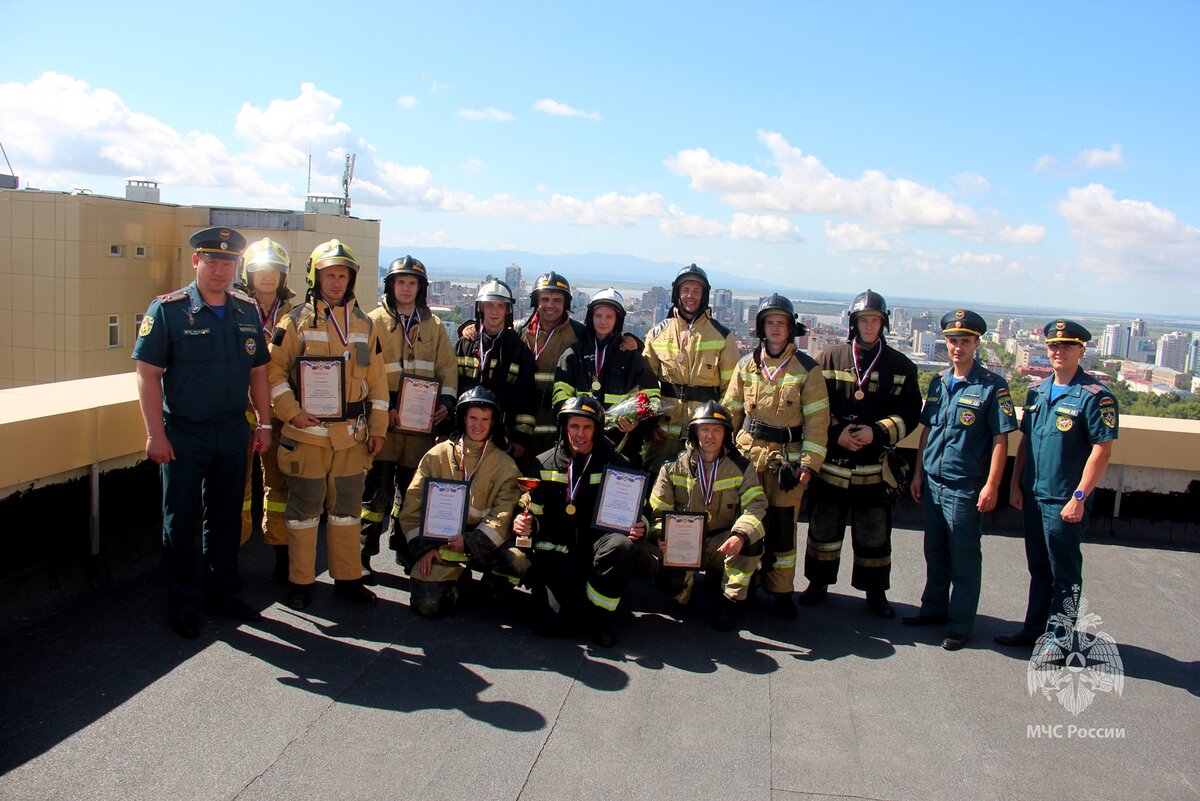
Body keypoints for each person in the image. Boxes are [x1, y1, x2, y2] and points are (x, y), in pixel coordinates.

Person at [132, 226, 271, 639]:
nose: (220, 270)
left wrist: (263, 423)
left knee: (228, 517)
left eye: (228, 263)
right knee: (181, 520)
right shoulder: (168, 310)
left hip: (232, 430)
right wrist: (155, 434)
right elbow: (147, 375)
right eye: (212, 261)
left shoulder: (247, 311)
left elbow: (259, 373)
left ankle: (223, 594)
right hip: (184, 433)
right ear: (196, 262)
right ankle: (183, 604)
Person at [267, 239, 388, 611]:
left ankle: (348, 578)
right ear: (315, 276)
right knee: (304, 513)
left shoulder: (365, 325)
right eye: (329, 275)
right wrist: (290, 411)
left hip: (352, 437)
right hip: (308, 435)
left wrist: (379, 429)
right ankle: (300, 580)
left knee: (347, 511)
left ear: (351, 279)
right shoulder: (295, 321)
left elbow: (379, 383)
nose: (336, 282)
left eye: (342, 275)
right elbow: (274, 373)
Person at [995, 320, 1118, 648]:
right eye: (1053, 346)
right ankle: (1033, 630)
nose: (1058, 352)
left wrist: (1079, 496)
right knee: (1038, 568)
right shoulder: (1037, 392)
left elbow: (1102, 450)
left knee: (1064, 573)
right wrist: (1016, 485)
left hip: (1065, 498)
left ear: (1081, 350)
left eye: (1067, 346)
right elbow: (1025, 444)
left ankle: (1060, 640)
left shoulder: (1095, 396)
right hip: (1034, 494)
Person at [798, 289, 921, 618]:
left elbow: (910, 414)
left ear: (884, 324)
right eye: (864, 320)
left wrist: (877, 432)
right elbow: (816, 406)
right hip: (832, 465)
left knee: (874, 532)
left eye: (875, 320)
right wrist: (837, 432)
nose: (869, 325)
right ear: (853, 323)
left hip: (874, 467)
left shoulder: (902, 366)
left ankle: (875, 591)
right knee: (823, 529)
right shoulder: (828, 359)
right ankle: (818, 584)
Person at [906, 310, 1017, 650]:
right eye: (952, 341)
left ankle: (960, 624)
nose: (957, 347)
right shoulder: (940, 381)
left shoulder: (992, 386)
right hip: (935, 480)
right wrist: (918, 472)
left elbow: (1001, 439)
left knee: (964, 558)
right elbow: (928, 431)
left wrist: (992, 485)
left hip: (966, 485)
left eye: (964, 341)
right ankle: (934, 610)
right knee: (935, 552)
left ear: (976, 343)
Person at [723, 294, 830, 619]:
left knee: (783, 528)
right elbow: (730, 411)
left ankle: (781, 590)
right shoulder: (745, 365)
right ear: (762, 328)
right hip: (747, 454)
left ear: (790, 328)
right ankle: (743, 588)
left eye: (781, 323)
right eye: (770, 323)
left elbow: (817, 422)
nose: (775, 328)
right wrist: (723, 453)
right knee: (747, 521)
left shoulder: (807, 370)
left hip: (786, 461)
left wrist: (809, 465)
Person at [512, 395, 647, 647]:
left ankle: (602, 618)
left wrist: (641, 526)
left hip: (595, 549)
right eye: (574, 426)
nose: (580, 434)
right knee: (548, 626)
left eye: (587, 427)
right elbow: (531, 511)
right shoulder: (543, 463)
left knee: (621, 547)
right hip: (557, 553)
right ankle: (576, 601)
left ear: (596, 429)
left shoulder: (616, 462)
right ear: (564, 427)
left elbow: (639, 510)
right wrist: (523, 522)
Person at [360, 256, 457, 582]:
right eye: (400, 282)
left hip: (419, 427)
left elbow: (447, 369)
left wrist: (445, 403)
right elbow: (363, 371)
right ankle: (364, 551)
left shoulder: (434, 326)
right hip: (384, 422)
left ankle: (402, 547)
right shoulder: (372, 321)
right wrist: (379, 409)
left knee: (410, 493)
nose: (406, 288)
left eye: (412, 283)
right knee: (376, 492)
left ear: (421, 287)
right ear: (390, 285)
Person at [396, 387, 528, 617]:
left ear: (494, 422)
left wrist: (468, 542)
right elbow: (412, 507)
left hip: (481, 542)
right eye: (473, 418)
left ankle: (492, 586)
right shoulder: (436, 456)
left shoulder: (505, 465)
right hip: (440, 542)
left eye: (485, 420)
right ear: (463, 419)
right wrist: (424, 549)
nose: (478, 425)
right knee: (428, 604)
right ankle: (460, 585)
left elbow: (502, 515)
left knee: (518, 562)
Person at [642, 401, 767, 632]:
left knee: (753, 537)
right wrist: (660, 535)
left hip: (723, 541)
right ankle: (684, 588)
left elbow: (755, 505)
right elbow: (656, 513)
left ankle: (729, 602)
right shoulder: (671, 468)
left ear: (726, 434)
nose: (710, 436)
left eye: (717, 430)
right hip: (685, 542)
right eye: (705, 429)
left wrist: (740, 536)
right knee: (670, 584)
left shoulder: (741, 466)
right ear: (694, 432)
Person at [234, 237, 296, 583]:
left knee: (279, 490)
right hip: (238, 414)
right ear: (249, 274)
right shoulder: (233, 309)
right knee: (235, 492)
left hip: (278, 417)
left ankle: (282, 559)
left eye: (274, 271)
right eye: (260, 270)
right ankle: (231, 561)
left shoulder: (298, 315)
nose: (267, 277)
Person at [642, 264, 740, 475]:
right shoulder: (657, 334)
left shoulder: (722, 336)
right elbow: (645, 385)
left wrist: (720, 432)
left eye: (697, 291)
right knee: (654, 490)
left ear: (704, 295)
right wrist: (649, 425)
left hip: (703, 438)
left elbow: (732, 393)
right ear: (677, 293)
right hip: (662, 435)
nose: (690, 296)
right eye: (686, 290)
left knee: (696, 493)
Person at [551, 288, 661, 466]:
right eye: (598, 316)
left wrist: (637, 423)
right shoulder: (573, 355)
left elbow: (653, 398)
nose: (603, 322)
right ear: (590, 318)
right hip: (579, 444)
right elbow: (559, 398)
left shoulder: (632, 357)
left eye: (609, 317)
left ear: (618, 320)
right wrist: (575, 422)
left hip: (622, 447)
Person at [453, 279, 538, 461]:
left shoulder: (518, 351)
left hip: (502, 438)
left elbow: (526, 397)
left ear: (508, 310)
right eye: (489, 305)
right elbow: (452, 386)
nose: (494, 311)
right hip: (463, 434)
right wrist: (446, 430)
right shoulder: (464, 344)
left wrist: (521, 438)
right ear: (480, 308)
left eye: (500, 306)